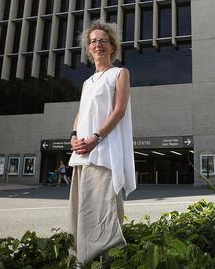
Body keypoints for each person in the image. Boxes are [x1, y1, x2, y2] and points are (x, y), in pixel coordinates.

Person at [68, 20, 136, 263]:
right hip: (82, 154)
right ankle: (82, 258)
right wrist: (74, 137)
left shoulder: (119, 73)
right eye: (93, 41)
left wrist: (95, 139)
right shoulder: (87, 82)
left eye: (103, 40)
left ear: (112, 47)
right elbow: (80, 114)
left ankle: (108, 260)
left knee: (104, 210)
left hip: (104, 152)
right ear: (88, 48)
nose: (98, 44)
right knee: (82, 209)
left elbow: (119, 111)